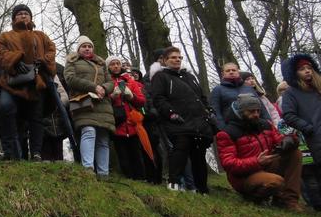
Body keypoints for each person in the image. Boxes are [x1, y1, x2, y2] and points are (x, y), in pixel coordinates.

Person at [216, 94, 302, 211]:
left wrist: (289, 140)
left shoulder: (265, 124)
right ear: (240, 112)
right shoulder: (226, 133)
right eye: (251, 111)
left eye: (257, 111)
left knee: (294, 153)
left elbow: (279, 138)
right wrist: (257, 162)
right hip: (245, 177)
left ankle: (288, 201)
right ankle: (253, 197)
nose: (256, 114)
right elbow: (229, 164)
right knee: (276, 182)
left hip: (267, 166)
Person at [0, 4, 56, 160]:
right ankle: (10, 152)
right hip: (12, 82)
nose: (23, 16)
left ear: (30, 17)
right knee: (5, 107)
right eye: (19, 13)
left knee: (36, 117)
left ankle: (36, 153)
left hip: (36, 82)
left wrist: (43, 60)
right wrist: (15, 59)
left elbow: (51, 50)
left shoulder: (41, 35)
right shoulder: (5, 36)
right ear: (14, 18)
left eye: (26, 13)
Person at [151, 46, 215, 193]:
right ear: (165, 60)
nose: (177, 60)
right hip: (178, 121)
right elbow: (158, 98)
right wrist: (170, 113)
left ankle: (202, 188)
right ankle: (174, 182)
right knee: (180, 150)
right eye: (173, 57)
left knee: (199, 155)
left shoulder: (190, 77)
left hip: (199, 122)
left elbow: (201, 97)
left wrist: (209, 112)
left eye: (179, 57)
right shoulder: (161, 77)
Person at [64, 37, 115, 176]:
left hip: (102, 104)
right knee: (89, 132)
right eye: (84, 46)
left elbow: (111, 82)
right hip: (84, 103)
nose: (87, 48)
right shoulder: (72, 62)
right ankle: (88, 168)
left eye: (89, 46)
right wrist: (93, 87)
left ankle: (104, 173)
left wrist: (104, 88)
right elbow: (70, 79)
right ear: (78, 49)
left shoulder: (101, 64)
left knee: (103, 139)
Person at [281, 54, 321, 211]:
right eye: (302, 69)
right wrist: (307, 127)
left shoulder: (318, 90)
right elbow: (288, 115)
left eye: (309, 68)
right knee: (314, 174)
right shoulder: (291, 93)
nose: (307, 71)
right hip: (312, 137)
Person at [106, 55, 146, 180]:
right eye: (112, 64)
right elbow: (102, 101)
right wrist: (112, 96)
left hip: (133, 123)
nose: (116, 66)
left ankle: (141, 178)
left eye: (118, 63)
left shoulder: (130, 80)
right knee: (122, 154)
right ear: (108, 67)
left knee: (136, 153)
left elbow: (141, 101)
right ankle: (128, 178)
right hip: (117, 124)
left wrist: (131, 96)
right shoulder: (106, 81)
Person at [210, 62, 269, 131]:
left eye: (233, 70)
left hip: (256, 126)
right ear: (223, 74)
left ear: (238, 72)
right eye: (228, 71)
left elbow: (261, 107)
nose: (231, 72)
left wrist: (268, 122)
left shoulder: (248, 88)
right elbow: (216, 112)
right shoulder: (217, 90)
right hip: (233, 129)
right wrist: (223, 129)